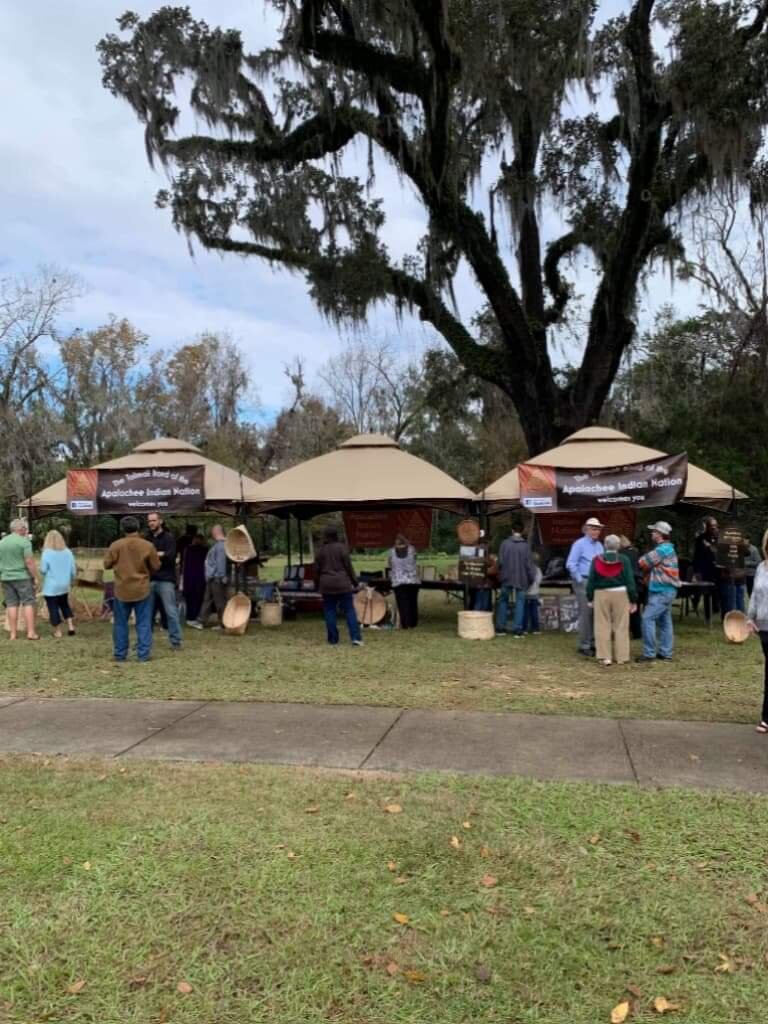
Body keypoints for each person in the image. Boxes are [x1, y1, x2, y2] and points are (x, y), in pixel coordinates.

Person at [103, 516, 161, 662]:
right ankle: (143, 655)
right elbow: (156, 566)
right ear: (138, 527)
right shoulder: (147, 545)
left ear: (123, 529)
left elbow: (106, 564)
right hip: (142, 589)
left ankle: (120, 654)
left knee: (120, 623)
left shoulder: (116, 545)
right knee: (143, 623)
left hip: (122, 589)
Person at [586, 534, 638, 666]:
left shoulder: (596, 560)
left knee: (602, 625)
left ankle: (605, 657)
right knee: (621, 625)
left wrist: (590, 597)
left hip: (601, 594)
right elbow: (630, 581)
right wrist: (633, 599)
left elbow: (591, 581)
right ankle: (621, 657)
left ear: (605, 545)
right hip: (620, 593)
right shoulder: (624, 559)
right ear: (619, 546)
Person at [636, 521, 680, 663]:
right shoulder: (668, 549)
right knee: (664, 621)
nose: (652, 533)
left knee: (647, 618)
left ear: (660, 534)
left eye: (654, 531)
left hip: (662, 591)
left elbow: (643, 561)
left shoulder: (662, 550)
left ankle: (649, 654)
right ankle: (665, 653)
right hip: (666, 590)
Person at [313, 526, 363, 646]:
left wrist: (317, 586)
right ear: (336, 535)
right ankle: (355, 638)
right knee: (349, 610)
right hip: (343, 584)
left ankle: (333, 640)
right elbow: (349, 568)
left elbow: (316, 571)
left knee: (330, 611)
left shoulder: (320, 550)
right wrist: (356, 583)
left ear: (325, 536)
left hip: (326, 584)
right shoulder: (342, 548)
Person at [566, 517, 605, 655]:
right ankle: (584, 645)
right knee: (586, 613)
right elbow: (571, 563)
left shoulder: (600, 545)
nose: (596, 531)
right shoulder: (579, 544)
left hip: (598, 581)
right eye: (594, 529)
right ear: (587, 529)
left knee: (596, 612)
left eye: (598, 529)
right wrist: (580, 580)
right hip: (584, 580)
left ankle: (593, 642)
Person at [146, 511, 182, 650]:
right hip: (150, 579)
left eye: (154, 520)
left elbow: (170, 557)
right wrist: (160, 554)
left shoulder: (169, 538)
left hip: (166, 580)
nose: (151, 523)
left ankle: (176, 641)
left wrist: (154, 555)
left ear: (160, 521)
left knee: (170, 611)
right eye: (149, 521)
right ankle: (145, 642)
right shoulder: (147, 539)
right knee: (147, 613)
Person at [0, 519, 40, 640]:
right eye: (25, 529)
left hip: (6, 577)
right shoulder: (24, 542)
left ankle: (13, 634)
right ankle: (31, 632)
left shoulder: (2, 542)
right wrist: (35, 577)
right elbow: (29, 561)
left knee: (11, 604)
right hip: (22, 577)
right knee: (28, 602)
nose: (26, 531)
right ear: (21, 529)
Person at [495, 521, 536, 637]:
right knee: (520, 603)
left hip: (506, 577)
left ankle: (500, 628)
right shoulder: (525, 546)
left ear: (512, 530)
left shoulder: (504, 544)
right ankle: (517, 629)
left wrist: (500, 574)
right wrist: (531, 578)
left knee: (503, 601)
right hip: (521, 578)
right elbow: (529, 565)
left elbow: (500, 562)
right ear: (522, 531)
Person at [187, 524, 229, 630]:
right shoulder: (218, 545)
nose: (211, 534)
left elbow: (221, 563)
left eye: (212, 531)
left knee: (220, 602)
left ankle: (224, 623)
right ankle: (201, 621)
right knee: (207, 600)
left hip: (217, 578)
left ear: (216, 532)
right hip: (211, 578)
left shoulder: (221, 546)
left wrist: (222, 577)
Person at [747, 529, 768, 733]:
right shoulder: (762, 567)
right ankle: (766, 717)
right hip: (764, 627)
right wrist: (750, 617)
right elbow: (755, 594)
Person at [39, 530, 77, 638]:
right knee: (65, 605)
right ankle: (71, 627)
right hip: (64, 584)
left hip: (51, 586)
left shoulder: (46, 553)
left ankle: (58, 631)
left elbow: (43, 570)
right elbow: (73, 570)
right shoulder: (68, 552)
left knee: (53, 608)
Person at [388, 533, 420, 629]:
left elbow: (390, 564)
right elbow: (415, 560)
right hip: (413, 580)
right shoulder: (412, 549)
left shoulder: (392, 551)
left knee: (402, 603)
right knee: (413, 602)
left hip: (398, 581)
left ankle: (405, 623)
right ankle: (413, 622)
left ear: (395, 541)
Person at [619, 535, 644, 640]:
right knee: (635, 610)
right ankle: (637, 633)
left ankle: (623, 632)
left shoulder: (621, 554)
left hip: (626, 582)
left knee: (623, 610)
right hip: (637, 583)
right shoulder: (636, 552)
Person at [182, 532, 208, 623]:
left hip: (189, 577)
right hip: (200, 577)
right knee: (198, 598)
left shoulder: (188, 549)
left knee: (189, 598)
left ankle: (190, 616)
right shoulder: (204, 550)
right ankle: (196, 615)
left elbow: (184, 563)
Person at [522, 553, 542, 635]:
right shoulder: (538, 570)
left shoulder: (525, 569)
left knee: (525, 612)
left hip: (526, 593)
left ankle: (525, 628)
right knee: (534, 612)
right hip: (535, 593)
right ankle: (536, 629)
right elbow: (539, 581)